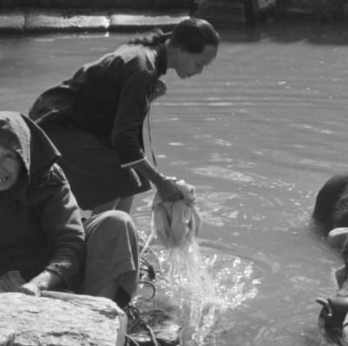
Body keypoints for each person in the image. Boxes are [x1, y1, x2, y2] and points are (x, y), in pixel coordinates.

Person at [0, 111, 140, 308]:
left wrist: (39, 283)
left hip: (48, 271)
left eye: (8, 157)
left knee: (117, 222)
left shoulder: (47, 178)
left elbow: (70, 244)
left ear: (24, 158)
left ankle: (98, 320)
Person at [29, 17, 220, 214]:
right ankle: (98, 235)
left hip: (70, 120)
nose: (199, 71)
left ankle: (119, 233)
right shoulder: (143, 70)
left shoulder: (146, 57)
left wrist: (146, 98)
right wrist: (159, 181)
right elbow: (123, 138)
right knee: (119, 178)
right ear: (180, 51)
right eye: (200, 63)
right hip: (54, 124)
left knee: (131, 176)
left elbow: (109, 107)